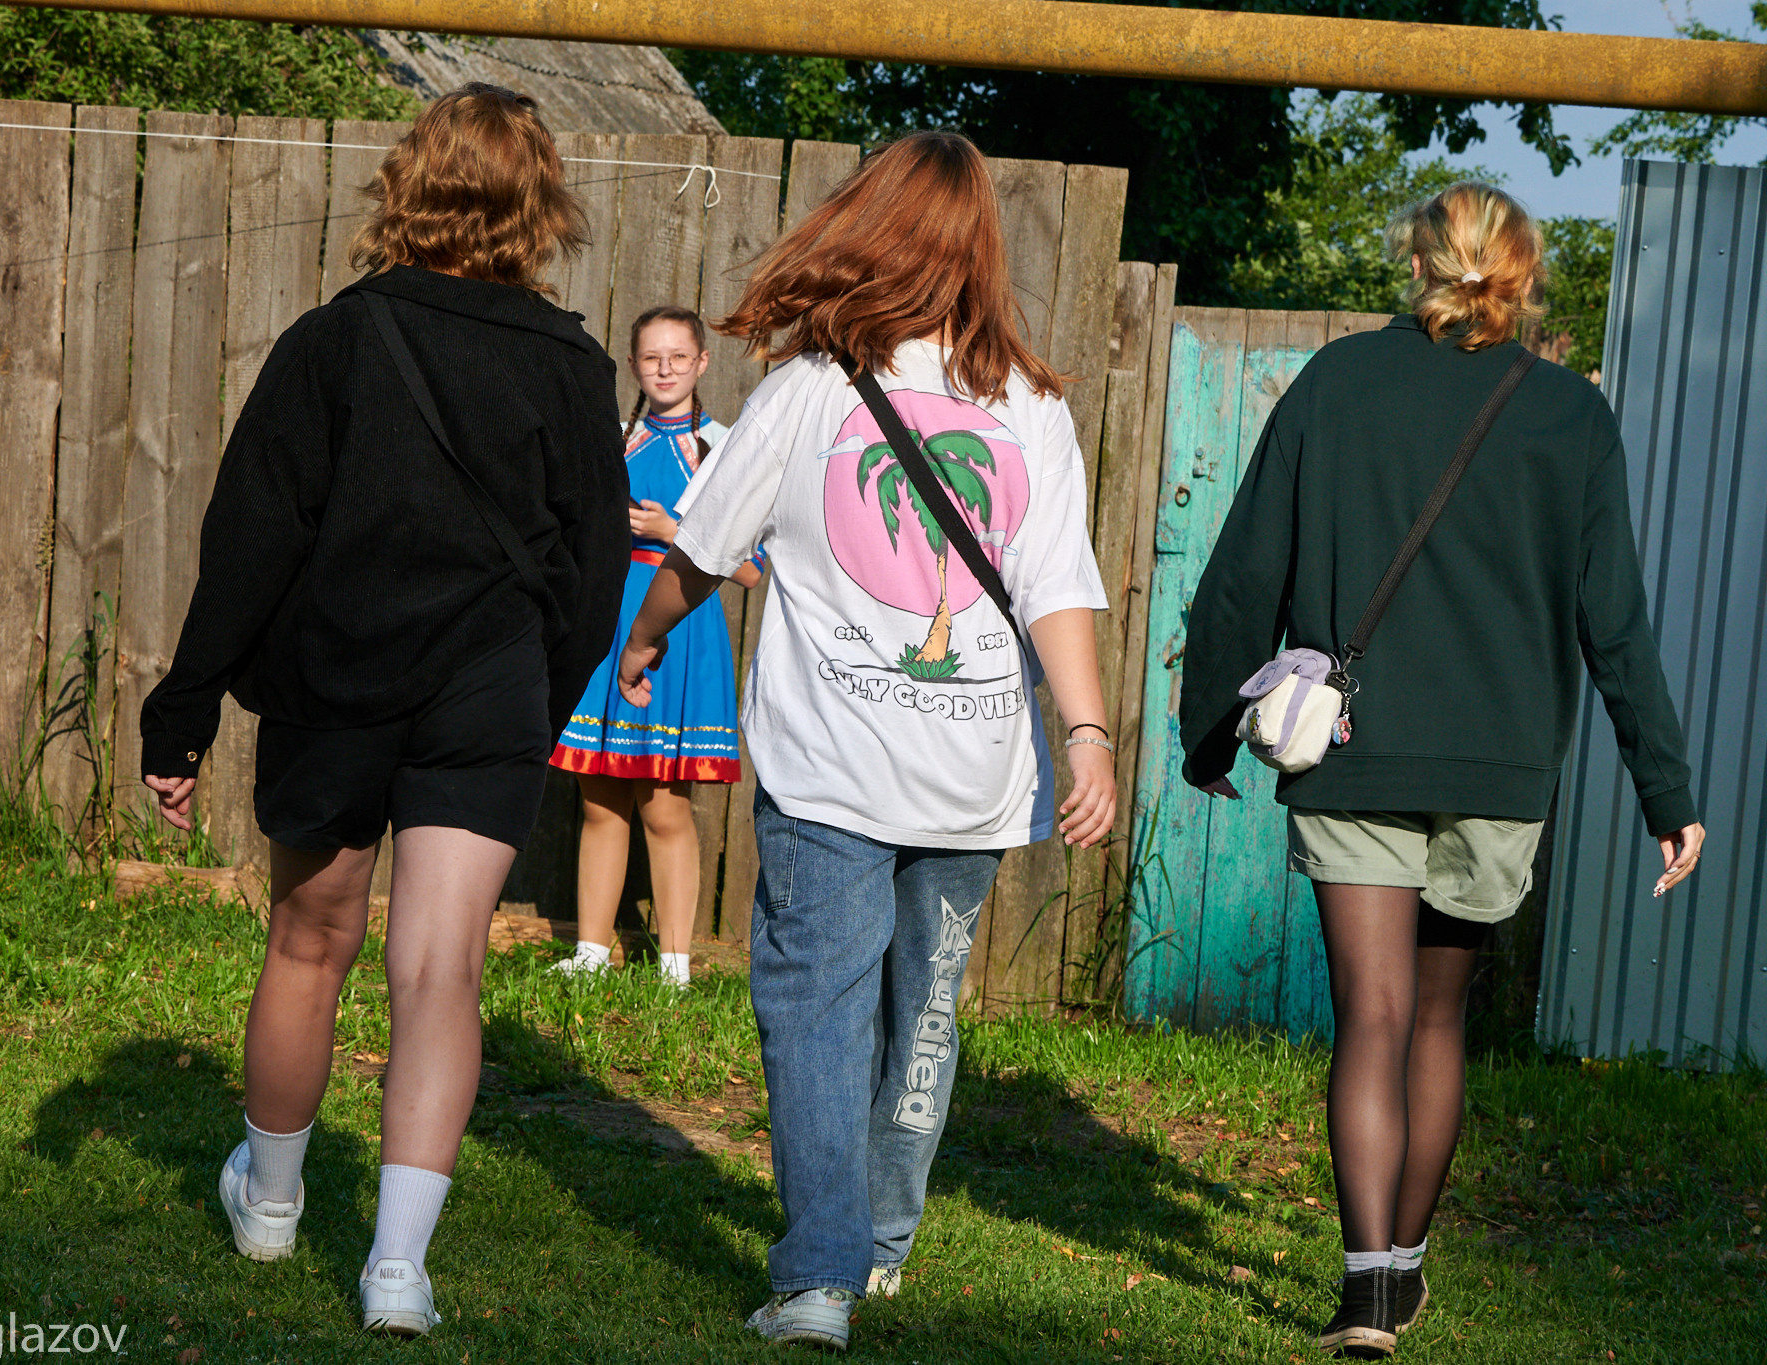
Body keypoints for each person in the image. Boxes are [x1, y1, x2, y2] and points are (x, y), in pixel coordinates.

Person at [1178, 183, 1705, 1359]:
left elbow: (1240, 569)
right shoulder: (1568, 413)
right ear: (1521, 275)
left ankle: (1365, 1292)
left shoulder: (1332, 385)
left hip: (1353, 750)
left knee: (1365, 1013)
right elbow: (1610, 618)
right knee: (1432, 1018)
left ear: (1414, 263)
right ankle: (1403, 1268)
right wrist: (1663, 790)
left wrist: (1205, 731)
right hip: (1497, 765)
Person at [136, 84, 628, 1338]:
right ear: (539, 207)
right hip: (487, 695)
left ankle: (272, 1205)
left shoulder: (335, 340)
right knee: (440, 971)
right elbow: (594, 571)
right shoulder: (573, 364)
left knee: (309, 945)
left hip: (336, 684)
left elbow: (247, 543)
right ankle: (398, 1271)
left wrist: (179, 716)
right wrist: (534, 696)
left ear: (403, 185)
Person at [616, 131, 1119, 1351]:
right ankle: (876, 1246)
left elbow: (701, 548)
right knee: (924, 1010)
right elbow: (1056, 584)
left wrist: (639, 642)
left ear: (860, 229)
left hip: (828, 766)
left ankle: (820, 1278)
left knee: (818, 1009)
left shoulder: (803, 393)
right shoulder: (1032, 407)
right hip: (975, 775)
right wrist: (1088, 734)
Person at [549, 305, 760, 987]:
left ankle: (675, 965)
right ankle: (591, 952)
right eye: (650, 358)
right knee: (598, 795)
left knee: (664, 803)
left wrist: (678, 534)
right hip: (607, 623)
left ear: (702, 363)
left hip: (681, 629)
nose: (664, 369)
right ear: (633, 365)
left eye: (678, 356)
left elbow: (756, 570)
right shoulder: (613, 441)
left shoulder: (724, 448)